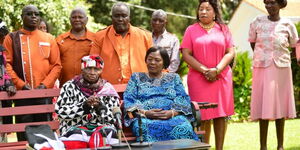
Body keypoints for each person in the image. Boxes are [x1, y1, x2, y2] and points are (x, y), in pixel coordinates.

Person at [181, 0, 235, 149]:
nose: (203, 12)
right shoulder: (190, 30)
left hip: (221, 77)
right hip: (198, 78)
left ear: (215, 12)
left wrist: (216, 70)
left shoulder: (223, 29)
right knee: (202, 116)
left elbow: (230, 52)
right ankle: (203, 147)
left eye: (207, 9)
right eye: (201, 9)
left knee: (220, 115)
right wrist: (205, 70)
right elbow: (186, 54)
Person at [3, 5, 62, 141]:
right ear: (22, 17)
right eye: (29, 14)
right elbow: (7, 64)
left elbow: (56, 66)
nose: (34, 17)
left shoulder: (48, 38)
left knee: (45, 132)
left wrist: (45, 85)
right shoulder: (11, 38)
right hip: (21, 94)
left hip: (44, 93)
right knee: (24, 133)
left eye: (36, 14)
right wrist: (21, 85)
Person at [248, 0, 298, 150]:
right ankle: (263, 146)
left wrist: (281, 55)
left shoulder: (288, 24)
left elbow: (295, 46)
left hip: (282, 68)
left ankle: (280, 146)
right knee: (263, 105)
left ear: (281, 4)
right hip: (262, 67)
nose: (269, 6)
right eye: (267, 3)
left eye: (273, 3)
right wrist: (263, 54)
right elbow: (252, 42)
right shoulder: (256, 21)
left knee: (280, 106)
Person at [124, 47, 199, 142]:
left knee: (184, 126)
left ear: (164, 62)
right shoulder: (136, 78)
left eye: (157, 60)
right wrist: (145, 113)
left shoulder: (174, 78)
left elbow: (183, 98)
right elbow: (129, 100)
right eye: (150, 59)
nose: (152, 62)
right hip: (145, 118)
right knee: (142, 127)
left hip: (172, 117)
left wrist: (172, 113)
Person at [55, 55, 120, 148]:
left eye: (96, 69)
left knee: (110, 134)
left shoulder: (107, 89)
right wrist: (83, 107)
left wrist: (100, 108)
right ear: (83, 69)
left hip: (101, 126)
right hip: (75, 127)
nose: (92, 73)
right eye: (89, 69)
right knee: (76, 135)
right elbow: (60, 112)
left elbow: (115, 118)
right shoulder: (70, 86)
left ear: (101, 71)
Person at [90, 2, 152, 84]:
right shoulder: (100, 36)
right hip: (109, 88)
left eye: (124, 16)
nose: (120, 19)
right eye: (117, 16)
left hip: (140, 88)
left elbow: (155, 63)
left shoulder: (145, 36)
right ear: (111, 18)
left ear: (129, 18)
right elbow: (92, 65)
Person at [57, 8, 95, 86]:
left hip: (90, 87)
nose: (77, 19)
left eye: (80, 17)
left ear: (86, 19)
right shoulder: (60, 39)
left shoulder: (96, 39)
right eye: (74, 17)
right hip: (65, 87)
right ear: (70, 19)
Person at [0, 19, 16, 143]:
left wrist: (9, 83)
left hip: (2, 97)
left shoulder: (1, 51)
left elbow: (4, 71)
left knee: (2, 138)